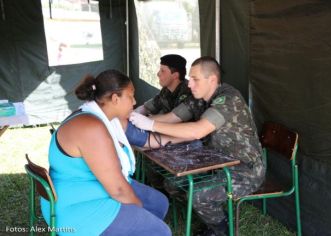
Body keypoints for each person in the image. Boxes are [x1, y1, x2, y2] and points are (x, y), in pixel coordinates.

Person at [129, 56, 266, 235]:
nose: (189, 84)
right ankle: (213, 217)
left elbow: (197, 131)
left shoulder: (228, 99)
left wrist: (151, 125)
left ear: (212, 80)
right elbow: (172, 118)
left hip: (245, 169)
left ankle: (222, 230)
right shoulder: (199, 98)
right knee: (173, 184)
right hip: (215, 163)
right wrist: (135, 119)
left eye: (195, 79)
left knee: (199, 195)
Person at [41, 70, 171, 236]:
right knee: (159, 231)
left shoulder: (102, 118)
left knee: (159, 203)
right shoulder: (91, 127)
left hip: (88, 189)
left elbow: (144, 141)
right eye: (131, 96)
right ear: (115, 99)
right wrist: (137, 211)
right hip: (75, 208)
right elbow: (118, 190)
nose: (135, 101)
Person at [125, 54, 205, 148]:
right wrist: (132, 114)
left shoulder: (190, 91)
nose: (158, 73)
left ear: (175, 75)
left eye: (163, 71)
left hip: (192, 141)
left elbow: (173, 118)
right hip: (171, 138)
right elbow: (146, 107)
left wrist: (139, 120)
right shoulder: (166, 91)